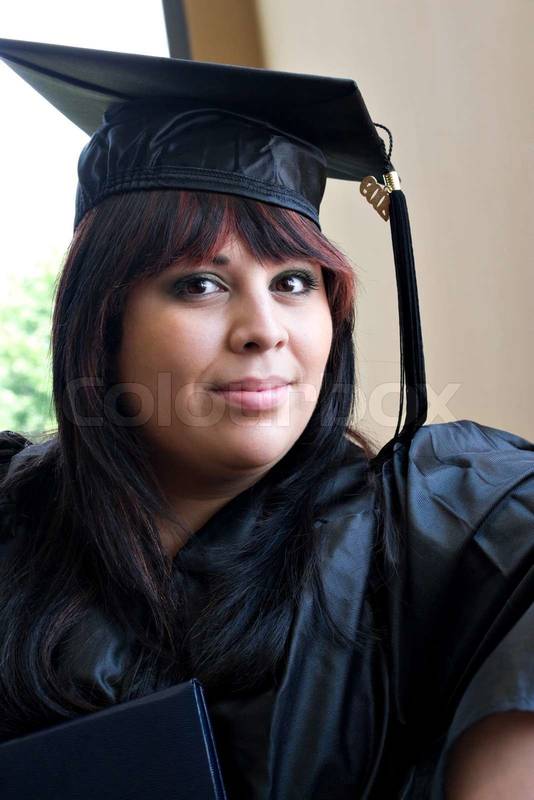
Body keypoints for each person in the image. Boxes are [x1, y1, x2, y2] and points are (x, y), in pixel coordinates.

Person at [0, 37, 533, 800]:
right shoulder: (15, 527)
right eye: (201, 284)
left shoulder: (442, 533)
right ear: (103, 321)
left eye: (292, 282)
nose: (264, 330)